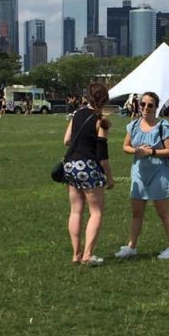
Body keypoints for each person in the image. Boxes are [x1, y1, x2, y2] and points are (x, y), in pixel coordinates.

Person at [115, 91, 169, 260]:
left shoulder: (163, 126)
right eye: (143, 104)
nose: (145, 107)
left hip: (160, 173)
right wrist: (137, 150)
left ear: (156, 107)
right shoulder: (134, 125)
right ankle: (131, 246)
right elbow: (125, 146)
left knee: (163, 212)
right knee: (136, 212)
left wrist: (150, 151)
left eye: (150, 105)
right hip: (139, 173)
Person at [63, 83, 115, 266]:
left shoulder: (77, 114)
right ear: (105, 99)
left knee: (76, 210)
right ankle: (87, 254)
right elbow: (102, 155)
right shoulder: (101, 120)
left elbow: (66, 140)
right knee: (96, 212)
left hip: (71, 165)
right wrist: (109, 177)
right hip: (89, 166)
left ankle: (76, 254)